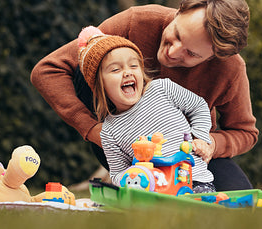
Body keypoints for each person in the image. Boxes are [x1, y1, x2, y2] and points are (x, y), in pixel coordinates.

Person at [31, 0, 259, 191]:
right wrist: (92, 129)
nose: (172, 52)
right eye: (176, 35)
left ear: (213, 57)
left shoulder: (230, 68)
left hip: (189, 152)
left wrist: (209, 144)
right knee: (91, 60)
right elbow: (47, 70)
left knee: (240, 200)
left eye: (191, 53)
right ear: (179, 11)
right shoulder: (137, 22)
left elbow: (245, 132)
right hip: (126, 142)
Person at [77, 26, 215, 193]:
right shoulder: (109, 131)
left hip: (193, 178)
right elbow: (117, 173)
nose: (127, 72)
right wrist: (134, 174)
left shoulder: (162, 88)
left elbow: (199, 106)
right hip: (153, 189)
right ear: (100, 85)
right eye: (115, 69)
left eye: (133, 66)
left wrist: (200, 136)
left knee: (198, 211)